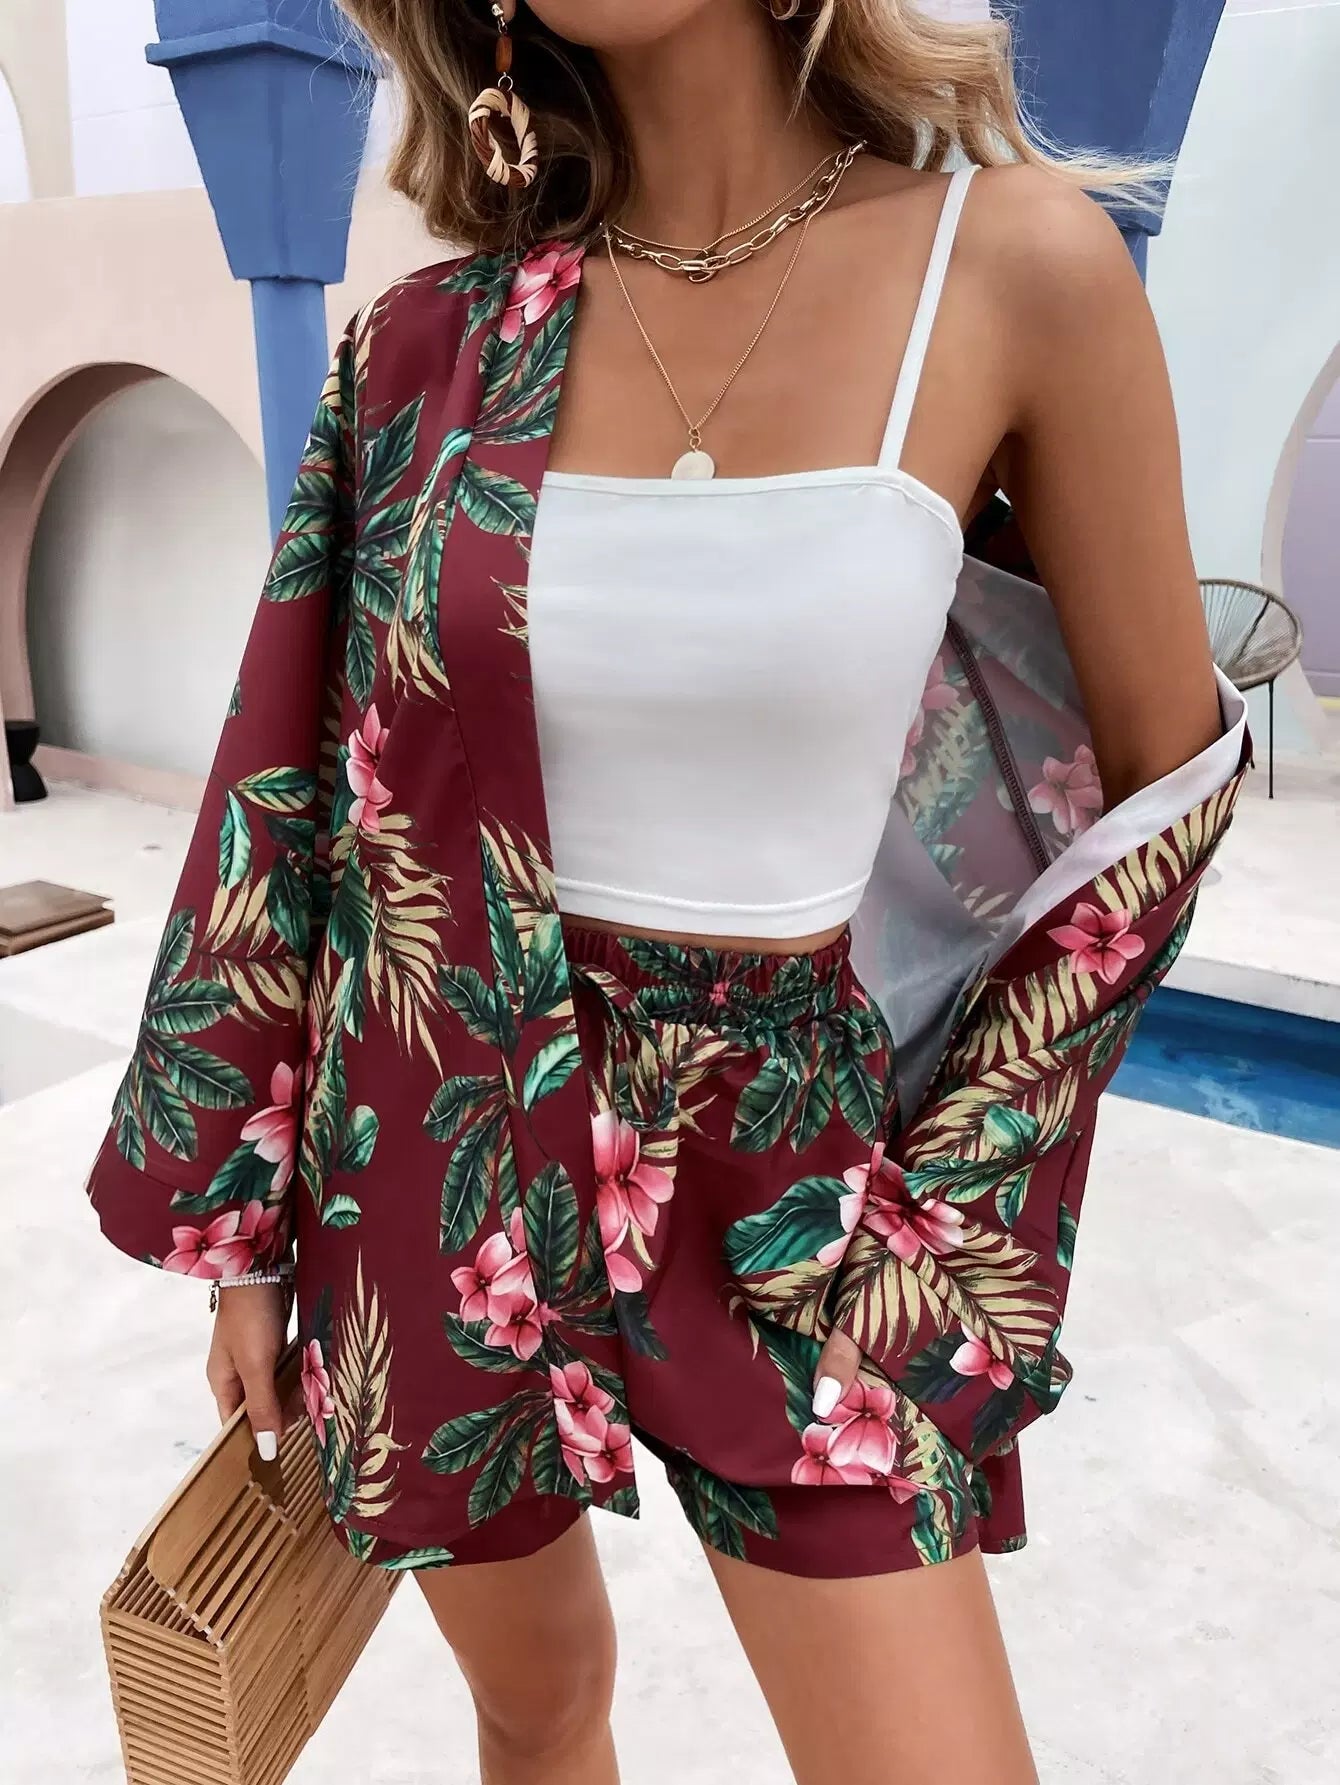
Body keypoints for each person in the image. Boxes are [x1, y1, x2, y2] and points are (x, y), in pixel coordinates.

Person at [84, 3, 1249, 1781]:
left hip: (792, 1188)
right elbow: (291, 793)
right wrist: (244, 1234)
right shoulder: (426, 347)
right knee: (540, 1703)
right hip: (444, 1143)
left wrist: (961, 1195)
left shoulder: (1013, 264)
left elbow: (1162, 805)